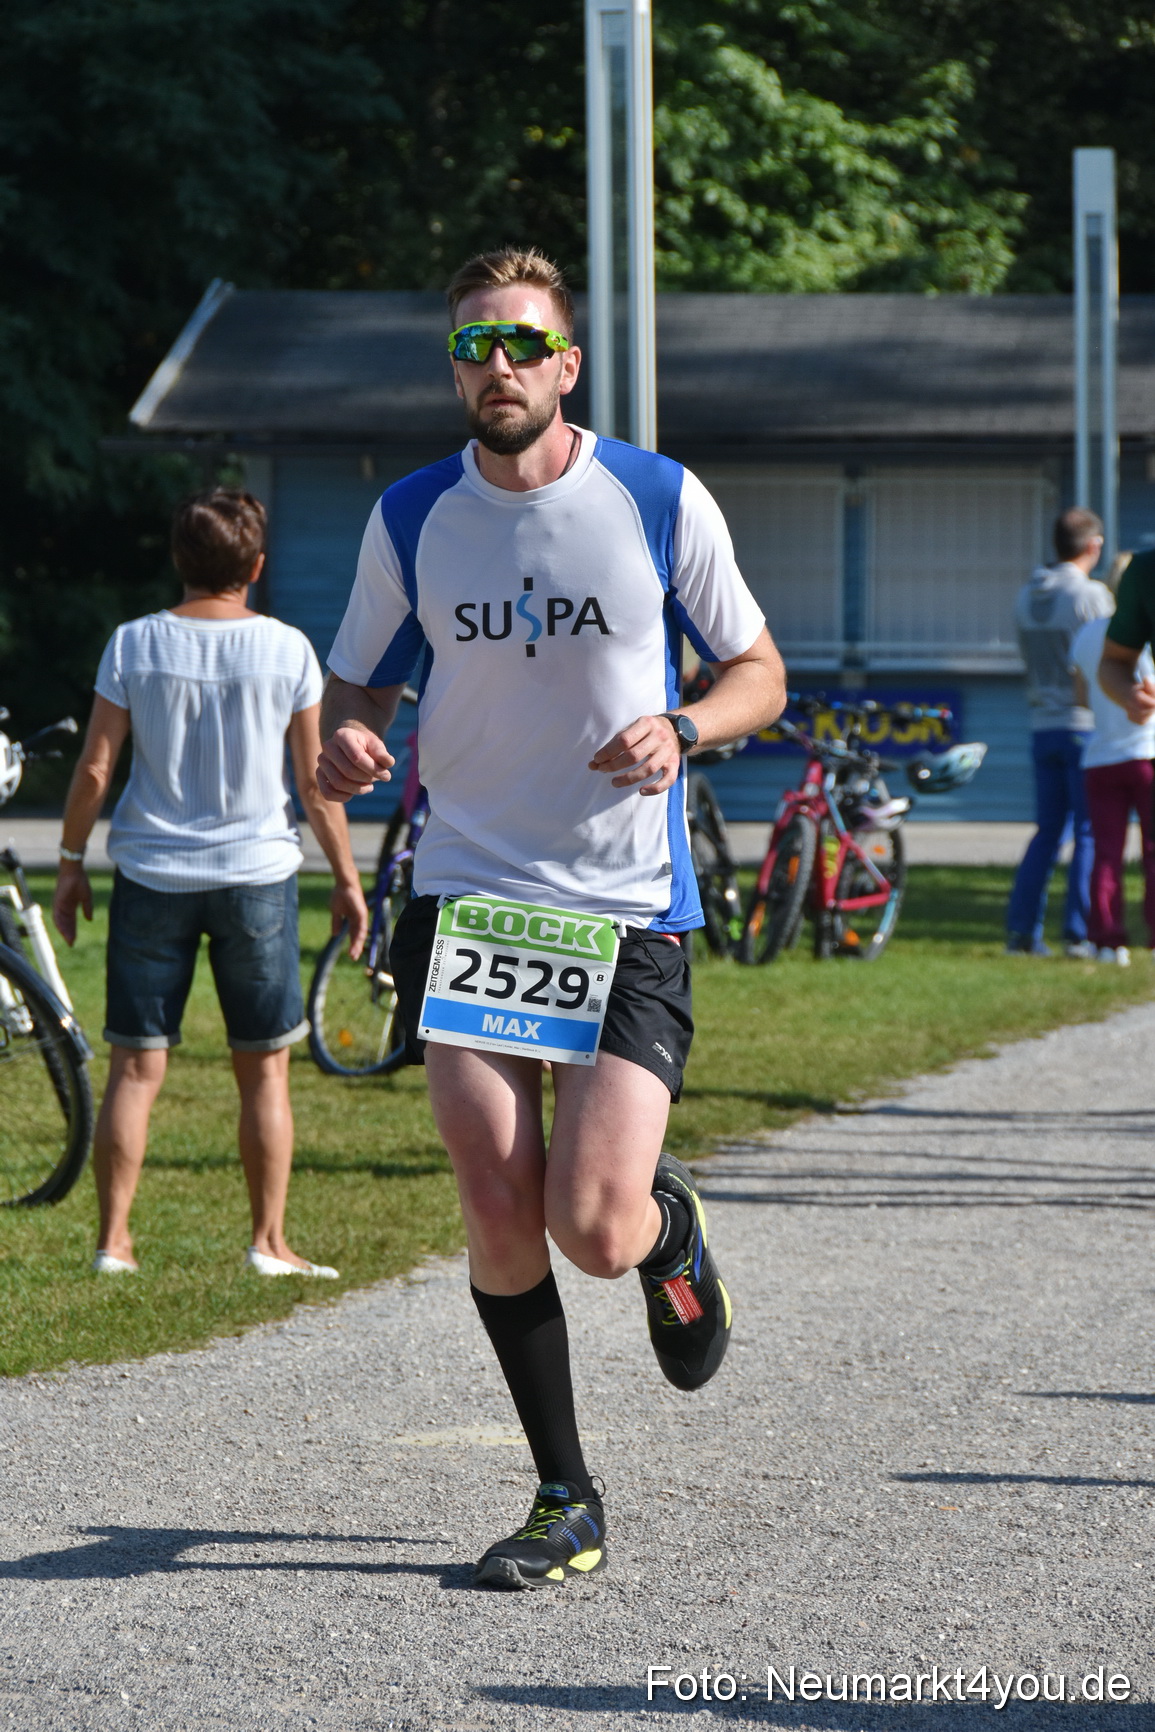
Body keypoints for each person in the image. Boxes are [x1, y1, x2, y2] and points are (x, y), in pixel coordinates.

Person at [317, 246, 784, 1589]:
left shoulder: (650, 496)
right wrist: (347, 747)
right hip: (470, 890)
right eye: (473, 346)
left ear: (565, 365)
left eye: (522, 342)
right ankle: (563, 1493)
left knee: (593, 1225)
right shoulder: (410, 516)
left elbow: (756, 670)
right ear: (454, 367)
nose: (498, 365)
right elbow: (354, 694)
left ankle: (665, 1229)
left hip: (624, 902)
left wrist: (685, 725)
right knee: (492, 1197)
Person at [53, 488, 368, 1276]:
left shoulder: (133, 644)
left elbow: (96, 767)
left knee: (135, 1065)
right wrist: (347, 879)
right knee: (263, 1070)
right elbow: (313, 781)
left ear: (177, 559)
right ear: (256, 567)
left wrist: (68, 862)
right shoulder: (289, 649)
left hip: (151, 874)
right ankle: (268, 1243)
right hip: (258, 876)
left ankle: (113, 1244)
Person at [1005, 507, 1113, 957]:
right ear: (1094, 545)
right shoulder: (1092, 596)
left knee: (1047, 830)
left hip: (1041, 724)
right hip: (1084, 726)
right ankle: (1078, 933)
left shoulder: (1026, 595)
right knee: (1088, 831)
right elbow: (1107, 661)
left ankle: (1022, 934)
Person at [1070, 601, 1155, 963]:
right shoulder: (1147, 634)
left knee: (1106, 852)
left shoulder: (1088, 633)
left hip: (1102, 755)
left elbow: (1081, 697)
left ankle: (1107, 940)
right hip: (1147, 750)